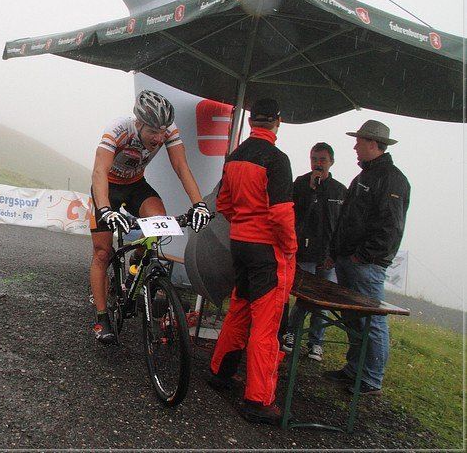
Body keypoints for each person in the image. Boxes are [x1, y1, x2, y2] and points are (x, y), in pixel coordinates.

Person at [89, 90, 211, 343]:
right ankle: (101, 318)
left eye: (162, 131)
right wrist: (105, 210)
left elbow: (181, 167)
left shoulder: (168, 131)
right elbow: (99, 171)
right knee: (102, 252)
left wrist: (199, 204)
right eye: (153, 131)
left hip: (136, 185)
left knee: (158, 226)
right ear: (139, 123)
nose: (158, 138)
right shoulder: (118, 130)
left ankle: (135, 267)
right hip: (107, 188)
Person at [207, 98, 296, 426]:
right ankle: (258, 400)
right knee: (266, 325)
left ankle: (220, 372)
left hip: (240, 244)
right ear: (277, 122)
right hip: (267, 250)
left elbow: (223, 203)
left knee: (240, 309)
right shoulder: (277, 159)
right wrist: (290, 248)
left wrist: (243, 223)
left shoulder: (234, 157)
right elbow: (281, 213)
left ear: (250, 122)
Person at [322, 120, 410, 396]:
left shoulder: (392, 179)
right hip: (350, 260)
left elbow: (390, 227)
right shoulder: (365, 176)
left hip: (366, 265)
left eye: (359, 141)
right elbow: (347, 220)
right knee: (354, 318)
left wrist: (363, 256)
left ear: (373, 143)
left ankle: (371, 378)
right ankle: (354, 369)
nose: (355, 146)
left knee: (371, 320)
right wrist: (336, 252)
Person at [281, 143, 347, 361]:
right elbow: (291, 214)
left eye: (322, 160)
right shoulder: (300, 183)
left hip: (327, 255)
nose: (318, 164)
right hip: (303, 252)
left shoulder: (339, 190)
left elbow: (342, 225)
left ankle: (316, 342)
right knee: (303, 297)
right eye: (314, 159)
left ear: (331, 162)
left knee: (322, 301)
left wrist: (334, 254)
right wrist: (311, 190)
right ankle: (292, 332)